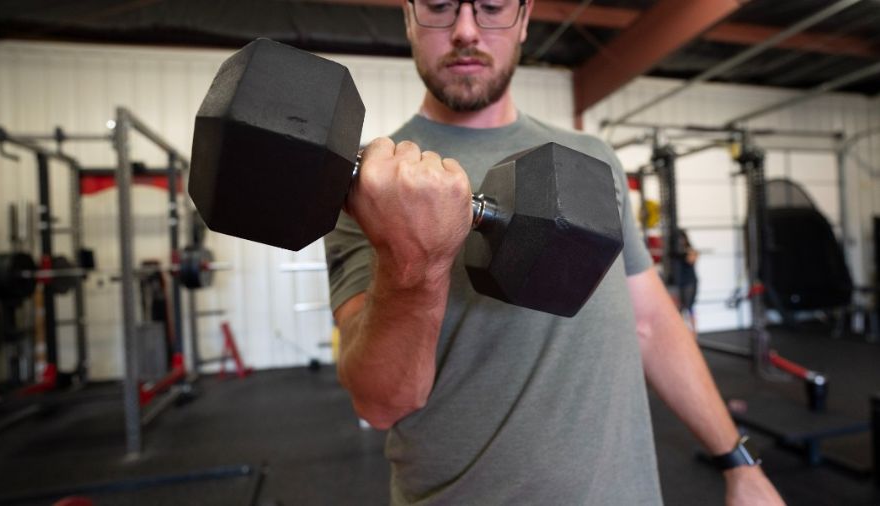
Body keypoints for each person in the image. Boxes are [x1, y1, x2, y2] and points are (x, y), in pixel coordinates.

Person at [323, 0, 785, 504]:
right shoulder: (373, 182)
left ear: (523, 20)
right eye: (439, 7)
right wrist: (413, 260)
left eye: (492, 8)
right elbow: (381, 403)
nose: (465, 31)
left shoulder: (593, 159)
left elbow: (650, 320)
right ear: (409, 19)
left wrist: (736, 461)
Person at [672, 228, 699, 334]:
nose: (680, 241)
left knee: (689, 307)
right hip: (680, 282)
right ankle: (683, 333)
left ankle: (694, 333)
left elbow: (691, 259)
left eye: (682, 238)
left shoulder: (689, 249)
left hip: (690, 282)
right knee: (681, 308)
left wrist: (687, 254)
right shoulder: (674, 251)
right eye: (678, 239)